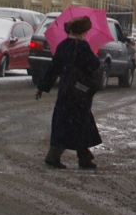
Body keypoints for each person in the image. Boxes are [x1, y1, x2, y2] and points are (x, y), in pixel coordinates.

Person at [35, 16, 102, 170]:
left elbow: (53, 69)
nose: (87, 34)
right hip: (80, 93)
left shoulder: (63, 46)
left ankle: (77, 157)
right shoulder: (83, 47)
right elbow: (95, 64)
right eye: (86, 31)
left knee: (64, 124)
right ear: (82, 32)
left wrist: (41, 88)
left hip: (66, 92)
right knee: (81, 124)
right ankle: (58, 157)